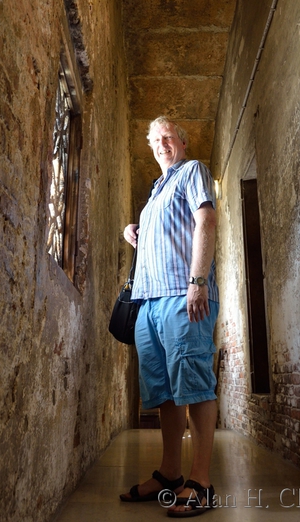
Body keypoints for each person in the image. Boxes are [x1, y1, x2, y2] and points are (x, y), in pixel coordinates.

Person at [120, 115, 219, 518]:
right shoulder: (155, 191)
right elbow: (165, 233)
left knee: (193, 383)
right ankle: (171, 473)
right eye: (155, 139)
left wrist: (198, 281)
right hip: (148, 303)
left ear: (182, 142)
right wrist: (136, 229)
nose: (162, 143)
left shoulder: (192, 171)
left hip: (183, 295)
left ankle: (202, 482)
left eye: (169, 136)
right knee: (162, 392)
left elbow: (205, 220)